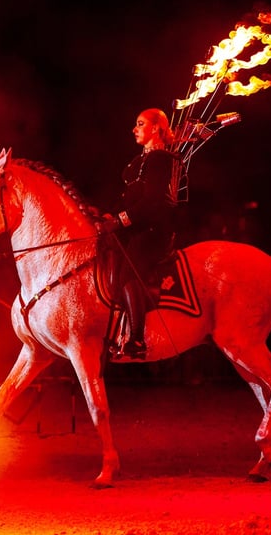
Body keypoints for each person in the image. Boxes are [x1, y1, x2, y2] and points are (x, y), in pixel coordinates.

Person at [102, 108, 181, 359]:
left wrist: (121, 220)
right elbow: (128, 198)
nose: (134, 129)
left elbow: (151, 203)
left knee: (128, 270)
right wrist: (107, 216)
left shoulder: (161, 159)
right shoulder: (139, 162)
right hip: (136, 227)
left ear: (156, 128)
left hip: (152, 230)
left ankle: (137, 339)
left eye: (140, 124)